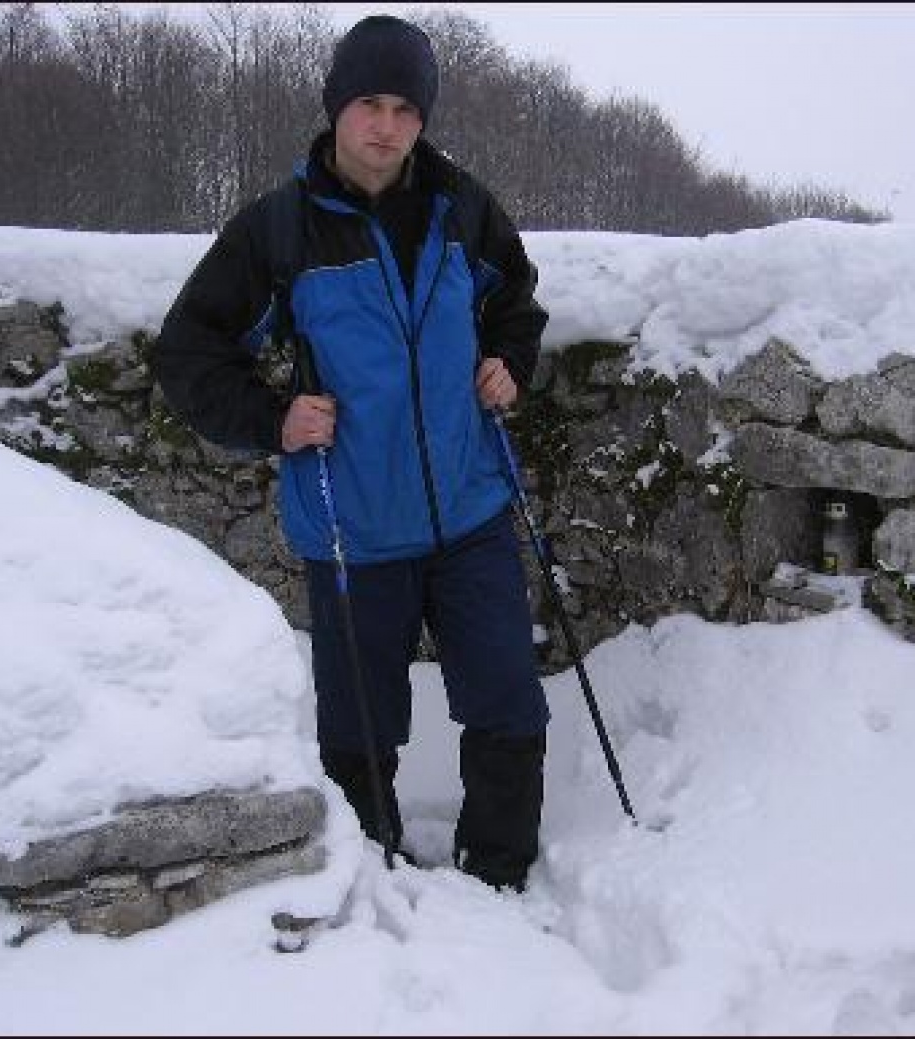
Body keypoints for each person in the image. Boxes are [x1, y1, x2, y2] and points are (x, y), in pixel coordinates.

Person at [152, 14, 551, 893]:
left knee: (509, 704)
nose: (386, 125)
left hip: (471, 511)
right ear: (337, 106)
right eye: (370, 103)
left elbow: (516, 304)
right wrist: (275, 418)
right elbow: (187, 351)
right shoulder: (279, 231)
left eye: (406, 109)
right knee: (359, 730)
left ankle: (499, 875)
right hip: (353, 528)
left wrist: (507, 364)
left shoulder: (462, 209)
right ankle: (369, 874)